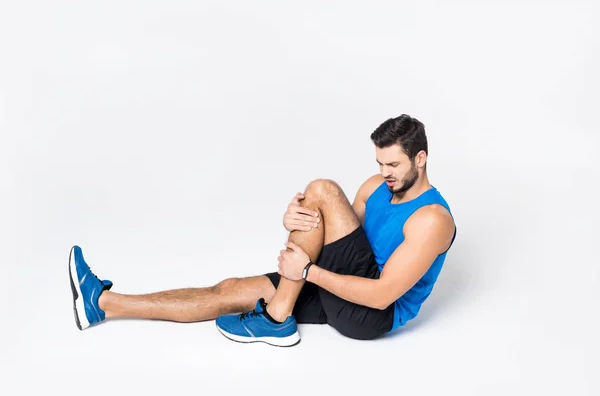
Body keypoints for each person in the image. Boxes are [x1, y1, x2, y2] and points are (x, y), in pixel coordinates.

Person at [68, 114, 457, 347]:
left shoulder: (432, 219)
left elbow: (382, 295)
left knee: (323, 189)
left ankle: (275, 319)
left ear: (420, 159)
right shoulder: (375, 186)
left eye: (394, 165)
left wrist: (306, 272)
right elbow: (337, 236)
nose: (384, 173)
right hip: (342, 286)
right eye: (380, 163)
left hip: (370, 316)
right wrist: (298, 219)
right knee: (228, 290)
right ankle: (103, 304)